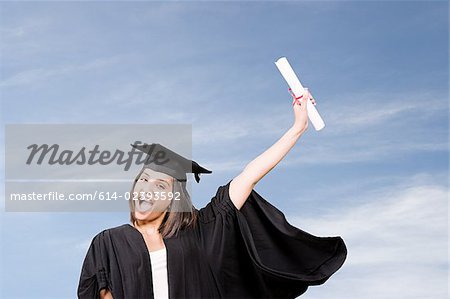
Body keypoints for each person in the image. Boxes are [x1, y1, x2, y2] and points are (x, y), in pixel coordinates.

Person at [77, 89, 347, 299]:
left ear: (173, 198)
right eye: (144, 180)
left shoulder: (200, 231)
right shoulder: (109, 241)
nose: (147, 188)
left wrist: (297, 128)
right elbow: (102, 293)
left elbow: (249, 176)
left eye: (161, 185)